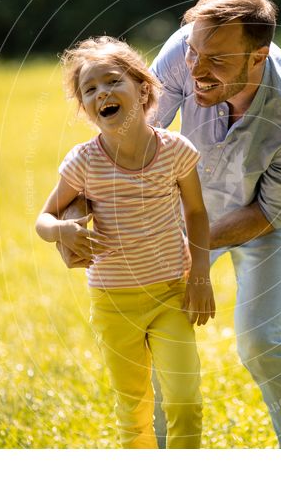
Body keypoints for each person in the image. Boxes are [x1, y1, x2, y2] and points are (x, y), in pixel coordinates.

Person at [150, 0, 281, 448]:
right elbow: (135, 137)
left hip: (268, 216)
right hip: (195, 201)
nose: (198, 69)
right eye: (195, 52)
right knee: (156, 328)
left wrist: (193, 250)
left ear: (259, 56)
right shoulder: (184, 53)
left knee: (259, 340)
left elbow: (265, 215)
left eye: (217, 60)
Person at [35, 36, 215, 449]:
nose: (102, 93)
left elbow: (198, 215)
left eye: (113, 81)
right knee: (133, 411)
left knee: (185, 401)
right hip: (113, 303)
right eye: (90, 90)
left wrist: (201, 275)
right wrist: (62, 230)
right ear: (86, 108)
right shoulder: (83, 161)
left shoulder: (175, 152)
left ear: (144, 88)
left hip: (171, 292)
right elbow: (43, 220)